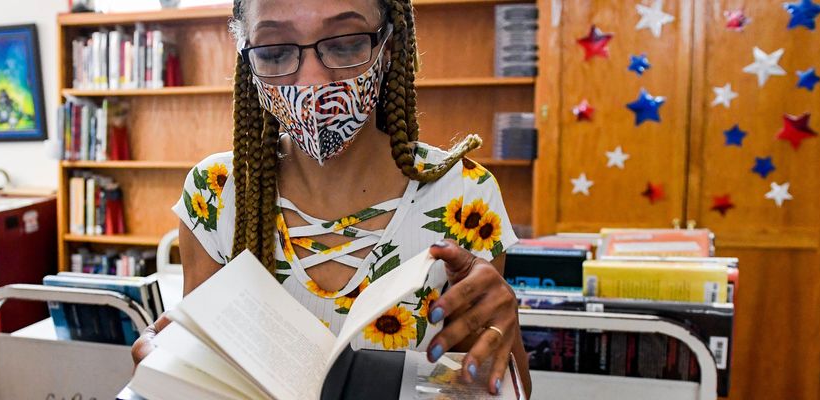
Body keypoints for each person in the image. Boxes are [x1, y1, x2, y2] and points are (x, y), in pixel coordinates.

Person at [133, 0, 532, 395]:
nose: (312, 81)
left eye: (344, 45)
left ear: (388, 47)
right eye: (275, 51)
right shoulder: (216, 192)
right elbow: (201, 375)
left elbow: (490, 386)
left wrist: (504, 325)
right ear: (247, 58)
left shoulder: (465, 196)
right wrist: (167, 374)